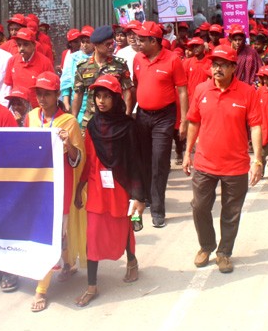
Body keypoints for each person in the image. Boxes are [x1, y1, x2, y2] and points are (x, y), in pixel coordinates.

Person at [182, 45, 262, 274]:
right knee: (199, 207)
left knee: (231, 211)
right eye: (214, 64)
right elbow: (194, 122)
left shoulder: (248, 93)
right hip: (204, 163)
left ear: (233, 68)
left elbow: (256, 126)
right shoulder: (201, 90)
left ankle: (224, 252)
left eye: (222, 64)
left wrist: (257, 160)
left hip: (235, 165)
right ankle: (206, 245)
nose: (216, 68)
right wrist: (188, 152)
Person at [72, 75, 148, 308]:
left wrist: (138, 195)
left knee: (125, 226)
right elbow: (89, 159)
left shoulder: (128, 127)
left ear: (116, 99)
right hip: (97, 188)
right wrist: (80, 187)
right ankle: (92, 286)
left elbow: (136, 162)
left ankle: (132, 261)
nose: (101, 101)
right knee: (92, 235)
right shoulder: (93, 125)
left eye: (106, 96)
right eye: (98, 96)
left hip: (121, 187)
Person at [24, 73, 86, 311]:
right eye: (38, 93)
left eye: (47, 93)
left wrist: (68, 144)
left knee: (53, 233)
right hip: (37, 185)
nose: (41, 98)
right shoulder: (30, 117)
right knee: (50, 232)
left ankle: (41, 290)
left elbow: (78, 158)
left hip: (60, 187)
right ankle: (68, 263)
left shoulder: (68, 122)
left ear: (57, 95)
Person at [132, 21, 188, 228]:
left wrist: (183, 120)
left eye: (141, 39)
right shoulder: (138, 59)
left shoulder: (173, 60)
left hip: (164, 117)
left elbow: (182, 90)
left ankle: (158, 209)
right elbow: (137, 84)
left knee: (159, 161)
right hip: (142, 116)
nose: (137, 43)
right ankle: (145, 197)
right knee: (143, 160)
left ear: (154, 41)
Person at [71, 25, 133, 126]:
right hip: (90, 120)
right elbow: (78, 94)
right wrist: (73, 120)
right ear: (96, 45)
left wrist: (126, 116)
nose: (111, 47)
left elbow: (127, 92)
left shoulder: (119, 65)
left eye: (112, 43)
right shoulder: (83, 66)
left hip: (114, 120)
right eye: (107, 44)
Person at [5, 27, 56, 106]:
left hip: (38, 110)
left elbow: (51, 88)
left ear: (34, 45)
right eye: (19, 45)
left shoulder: (45, 63)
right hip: (17, 109)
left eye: (25, 44)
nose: (21, 48)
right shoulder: (12, 61)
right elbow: (8, 87)